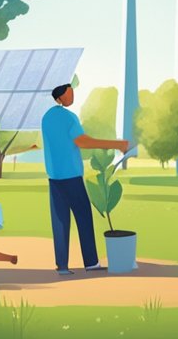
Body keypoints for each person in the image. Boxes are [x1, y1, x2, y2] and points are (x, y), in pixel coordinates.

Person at [42, 83, 129, 275]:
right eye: (69, 92)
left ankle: (62, 266)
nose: (72, 95)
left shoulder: (47, 117)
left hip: (54, 177)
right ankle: (91, 263)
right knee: (83, 218)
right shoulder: (69, 118)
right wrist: (117, 144)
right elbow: (82, 141)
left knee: (60, 221)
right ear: (61, 96)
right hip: (71, 176)